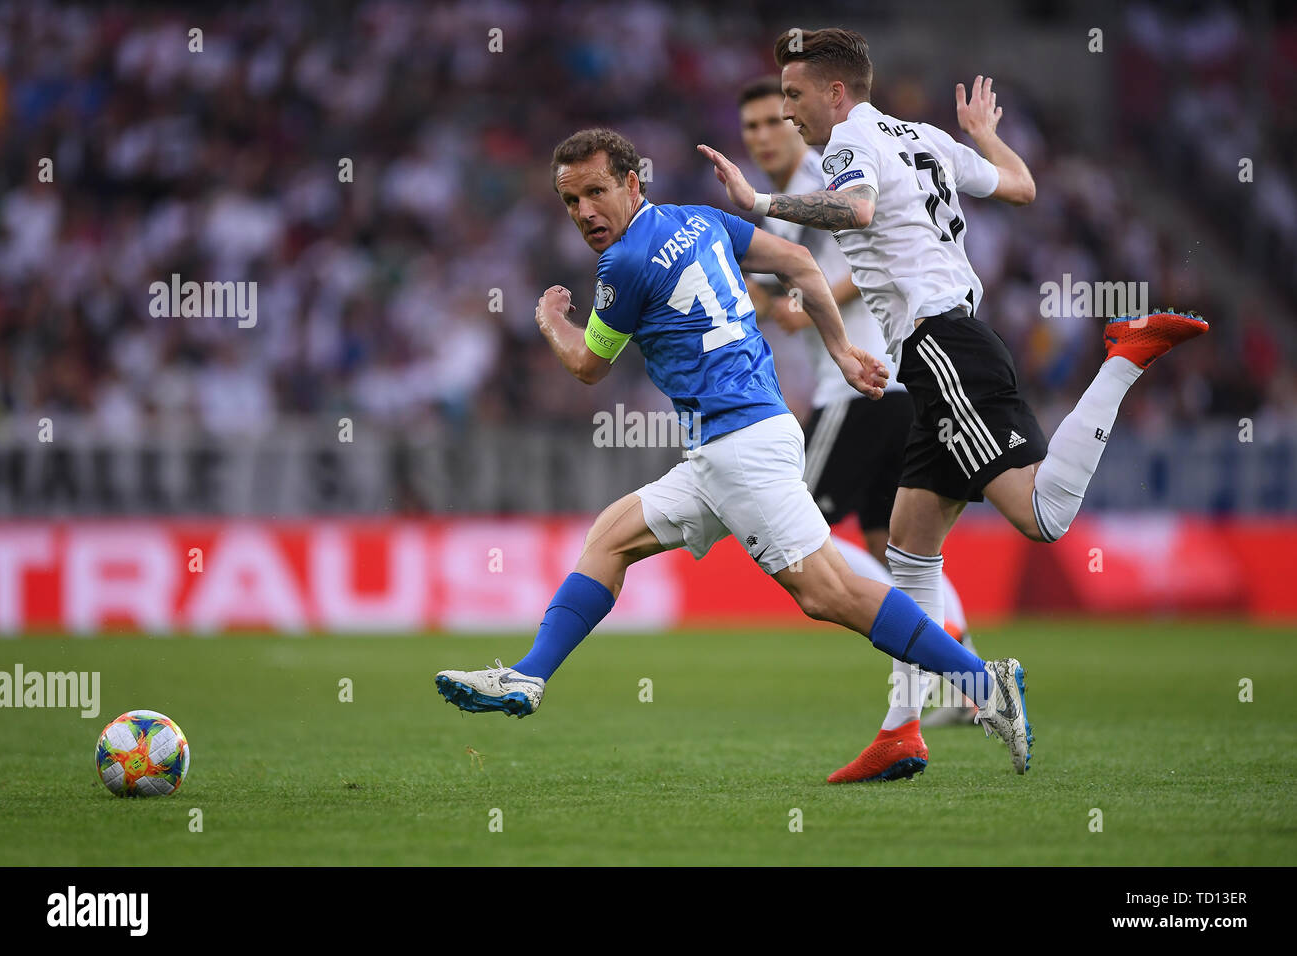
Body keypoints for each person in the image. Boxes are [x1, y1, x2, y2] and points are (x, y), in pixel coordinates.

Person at [435, 127, 1033, 775]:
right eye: (571, 200)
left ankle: (984, 683)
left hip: (738, 446)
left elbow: (587, 365)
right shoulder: (701, 221)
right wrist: (837, 348)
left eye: (596, 193)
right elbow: (802, 265)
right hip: (734, 443)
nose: (584, 212)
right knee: (611, 539)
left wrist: (550, 318)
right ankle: (528, 676)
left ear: (633, 184)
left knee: (829, 593)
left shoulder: (624, 265)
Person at [698, 28, 1206, 770]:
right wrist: (987, 138)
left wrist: (759, 199)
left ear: (837, 94)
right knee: (907, 550)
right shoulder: (926, 136)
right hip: (938, 352)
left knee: (1042, 515)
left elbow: (857, 212)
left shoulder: (847, 142)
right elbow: (1023, 187)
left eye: (796, 96)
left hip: (940, 349)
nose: (788, 111)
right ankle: (903, 729)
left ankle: (1125, 359)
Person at [735, 75, 978, 784]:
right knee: (890, 545)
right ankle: (964, 673)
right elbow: (787, 280)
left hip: (861, 388)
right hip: (890, 385)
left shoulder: (824, 173)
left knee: (797, 525)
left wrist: (808, 294)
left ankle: (950, 650)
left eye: (776, 118)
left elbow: (856, 242)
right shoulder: (784, 207)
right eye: (751, 125)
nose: (764, 132)